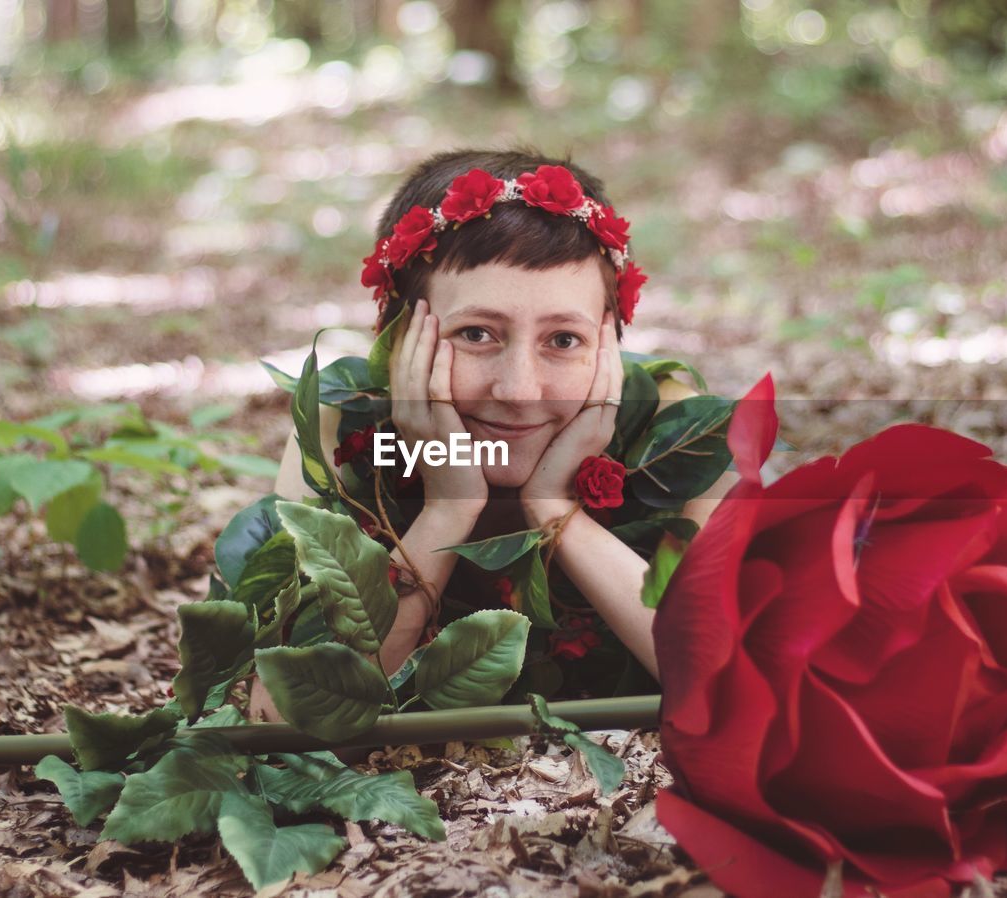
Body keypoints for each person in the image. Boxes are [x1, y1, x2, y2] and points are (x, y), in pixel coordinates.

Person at [251, 147, 739, 722]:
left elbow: (731, 681)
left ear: (610, 341)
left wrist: (558, 512)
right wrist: (446, 511)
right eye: (477, 333)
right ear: (397, 338)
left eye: (563, 340)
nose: (519, 391)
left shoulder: (678, 430)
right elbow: (281, 715)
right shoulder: (345, 425)